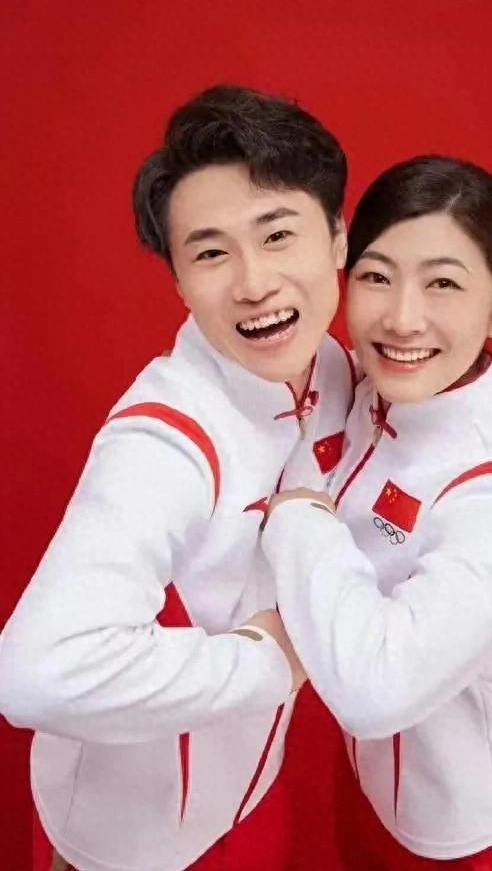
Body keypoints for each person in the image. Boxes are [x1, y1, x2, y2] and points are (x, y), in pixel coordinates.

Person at [0, 85, 355, 871]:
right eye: (210, 253)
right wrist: (270, 660)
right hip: (125, 846)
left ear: (337, 239)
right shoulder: (163, 442)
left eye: (277, 235)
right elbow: (30, 675)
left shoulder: (333, 366)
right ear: (180, 283)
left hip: (250, 796)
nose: (254, 282)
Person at [262, 155, 492, 870]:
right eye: (376, 277)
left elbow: (378, 692)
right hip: (370, 783)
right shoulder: (359, 387)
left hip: (478, 821)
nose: (402, 319)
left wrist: (298, 516)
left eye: (443, 284)